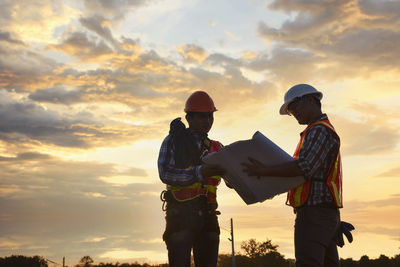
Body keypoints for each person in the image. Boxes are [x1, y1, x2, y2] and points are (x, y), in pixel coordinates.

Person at [242, 84, 343, 267]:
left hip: (315, 214)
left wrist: (264, 171)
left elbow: (304, 167)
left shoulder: (319, 130)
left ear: (311, 100)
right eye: (291, 110)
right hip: (323, 214)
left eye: (295, 106)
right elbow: (304, 175)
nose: (294, 112)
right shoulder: (316, 131)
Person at [158, 91, 226, 267]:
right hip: (180, 214)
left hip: (209, 215)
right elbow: (165, 173)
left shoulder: (217, 147)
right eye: (202, 117)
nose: (207, 121)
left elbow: (233, 179)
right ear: (188, 118)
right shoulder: (173, 141)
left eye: (210, 116)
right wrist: (200, 172)